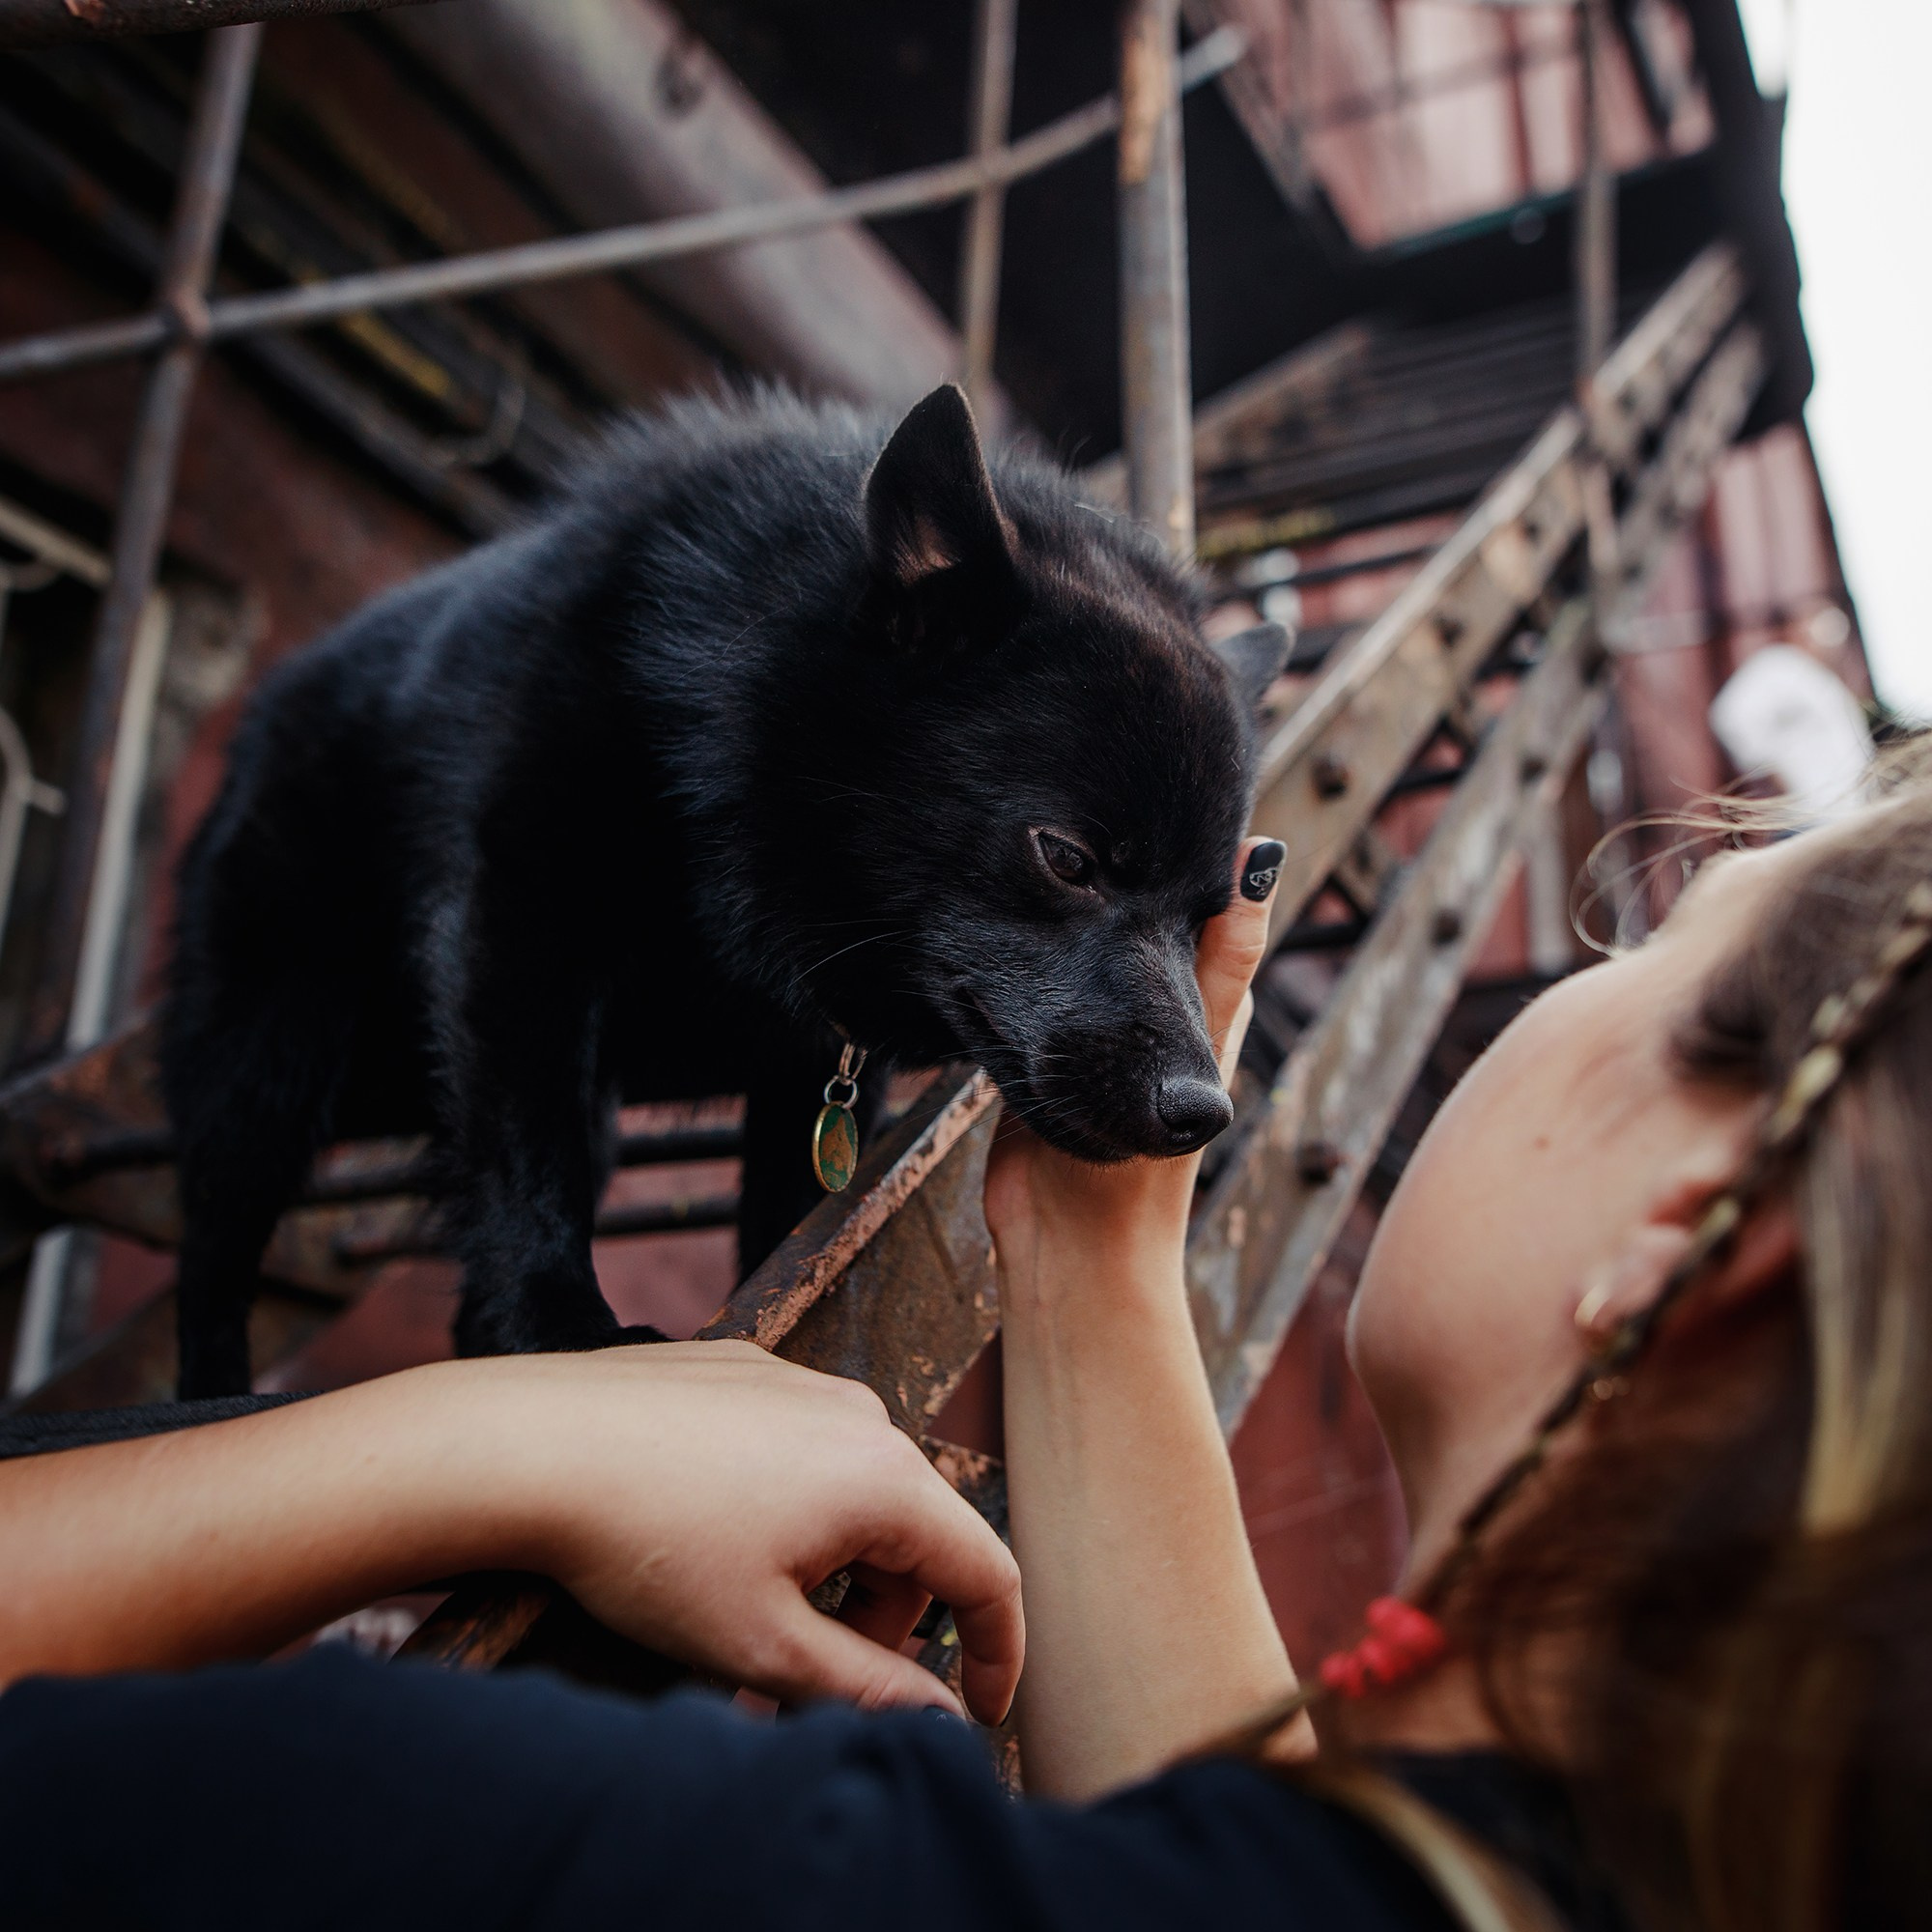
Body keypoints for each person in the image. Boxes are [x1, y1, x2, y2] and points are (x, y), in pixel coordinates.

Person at [3, 762, 1930, 1932]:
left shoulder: (724, 1887)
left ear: (1693, 1244)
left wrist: (496, 1434)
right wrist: (1088, 1252)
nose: (1595, 964)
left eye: (1647, 943)